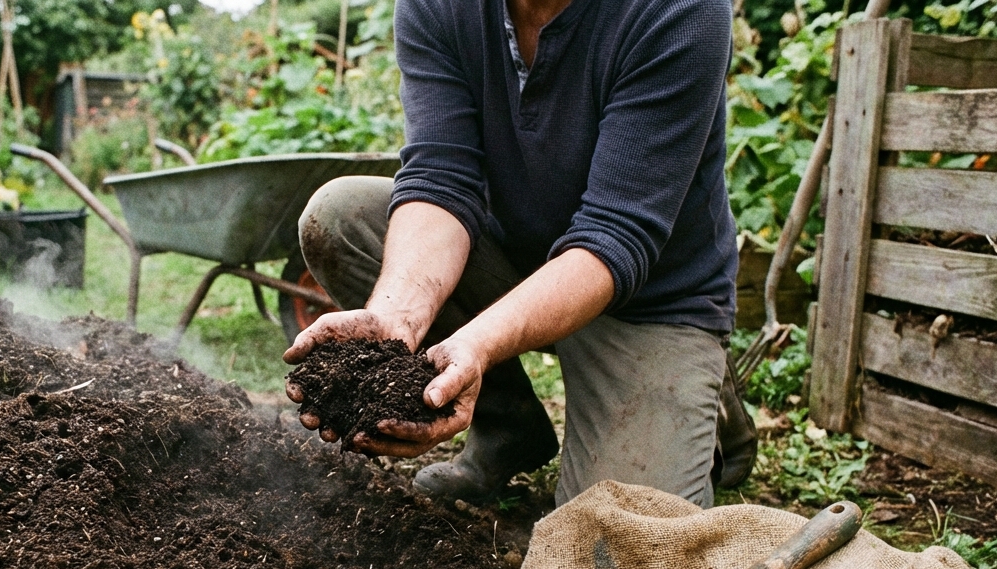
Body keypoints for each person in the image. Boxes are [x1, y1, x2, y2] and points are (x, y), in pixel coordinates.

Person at [284, 0, 749, 508]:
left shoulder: (680, 10)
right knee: (342, 217)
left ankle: (700, 396)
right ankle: (509, 429)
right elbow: (442, 178)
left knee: (617, 553)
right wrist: (397, 320)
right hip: (518, 262)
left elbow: (619, 232)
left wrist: (479, 343)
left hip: (652, 300)